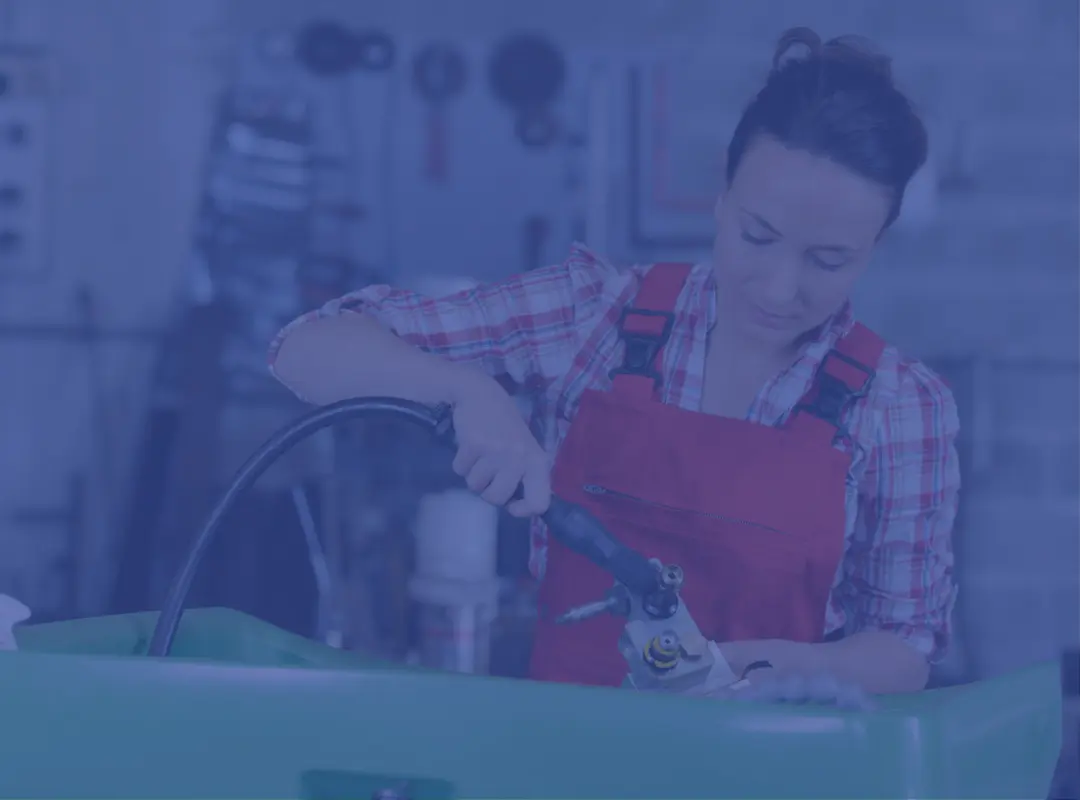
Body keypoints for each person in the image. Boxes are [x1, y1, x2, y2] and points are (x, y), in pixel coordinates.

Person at [269, 27, 959, 697]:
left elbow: (905, 644)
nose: (780, 287)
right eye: (759, 236)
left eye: (827, 260)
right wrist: (464, 389)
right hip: (566, 762)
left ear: (874, 245)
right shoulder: (593, 315)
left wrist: (764, 670)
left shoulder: (899, 407)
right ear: (722, 196)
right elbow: (303, 352)